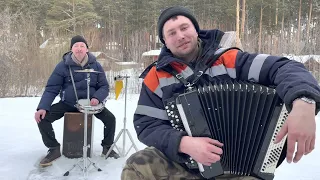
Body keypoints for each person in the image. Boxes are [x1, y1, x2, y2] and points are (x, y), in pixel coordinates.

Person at [121, 6, 320, 180]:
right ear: (164, 41)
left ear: (195, 29)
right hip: (184, 164)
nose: (180, 36)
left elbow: (284, 67)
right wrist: (183, 143)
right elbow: (147, 125)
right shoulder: (156, 76)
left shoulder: (230, 59)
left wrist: (304, 101)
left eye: (184, 28)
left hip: (241, 165)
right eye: (171, 33)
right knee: (136, 166)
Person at [35, 35, 120, 167]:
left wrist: (97, 98)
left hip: (91, 104)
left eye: (82, 46)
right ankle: (54, 149)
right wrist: (42, 107)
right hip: (69, 103)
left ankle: (107, 147)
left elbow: (104, 86)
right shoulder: (62, 66)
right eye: (76, 46)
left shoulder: (96, 65)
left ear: (87, 49)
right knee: (43, 118)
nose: (79, 49)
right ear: (71, 49)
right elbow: (51, 88)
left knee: (110, 119)